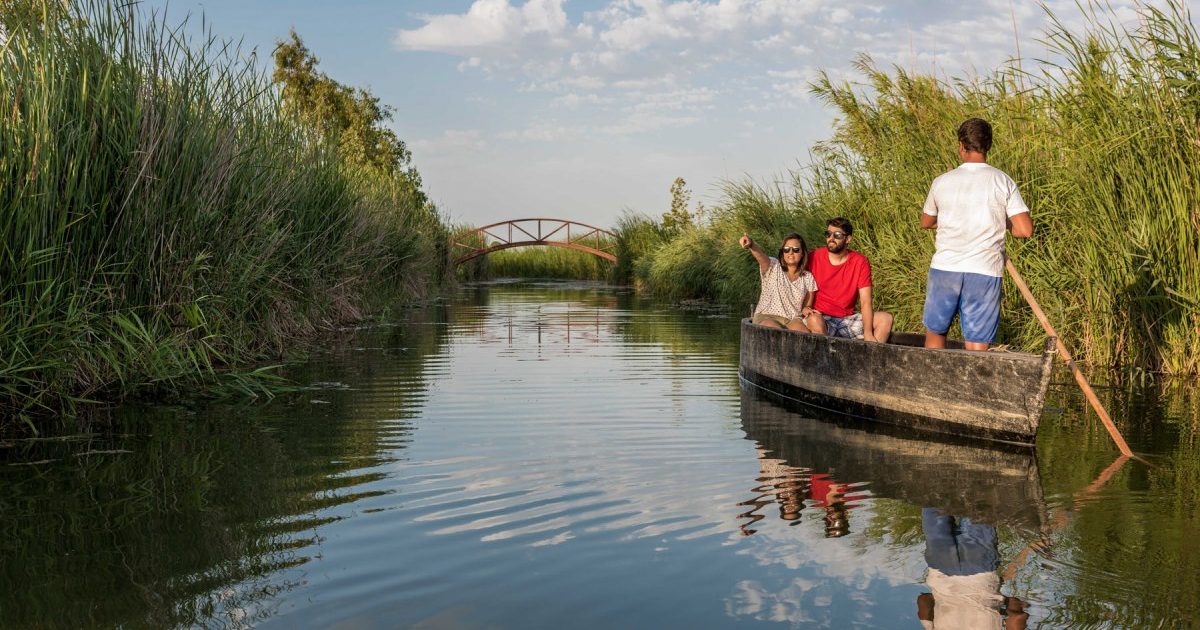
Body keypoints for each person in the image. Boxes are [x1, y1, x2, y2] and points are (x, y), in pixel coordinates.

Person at [921, 118, 1033, 351]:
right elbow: (1024, 230)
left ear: (961, 145)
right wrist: (999, 222)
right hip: (984, 270)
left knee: (936, 331)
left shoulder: (942, 181)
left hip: (945, 268)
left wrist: (956, 219)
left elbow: (927, 221)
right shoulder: (1003, 181)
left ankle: (931, 382)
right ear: (989, 146)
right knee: (976, 341)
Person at [916, 508, 1029, 629]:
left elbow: (1016, 617)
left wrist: (1010, 604)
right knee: (933, 503)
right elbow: (923, 600)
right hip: (941, 567)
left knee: (977, 502)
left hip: (980, 570)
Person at [805, 217, 893, 342]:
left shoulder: (860, 261)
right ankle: (827, 360)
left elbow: (866, 302)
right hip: (820, 318)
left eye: (837, 235)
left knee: (885, 319)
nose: (831, 238)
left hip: (846, 320)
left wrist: (868, 333)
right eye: (828, 234)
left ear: (848, 239)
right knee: (814, 319)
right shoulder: (814, 256)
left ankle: (868, 360)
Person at [739, 232, 818, 332]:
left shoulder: (808, 277)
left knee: (805, 335)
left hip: (792, 320)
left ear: (802, 253)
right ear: (783, 252)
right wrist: (751, 244)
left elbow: (807, 306)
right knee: (775, 332)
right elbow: (760, 256)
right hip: (767, 316)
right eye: (786, 249)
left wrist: (806, 309)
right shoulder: (773, 266)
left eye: (796, 249)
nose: (790, 252)